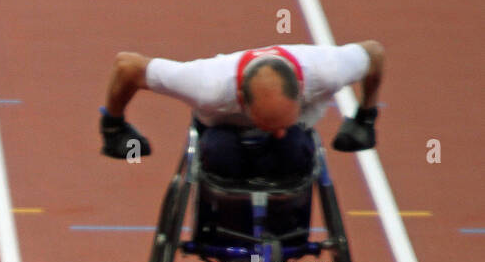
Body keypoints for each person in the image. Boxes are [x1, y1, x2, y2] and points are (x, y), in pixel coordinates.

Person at [99, 41, 385, 178]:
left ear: (301, 91)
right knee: (222, 155)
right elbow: (127, 65)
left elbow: (373, 52)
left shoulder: (327, 70)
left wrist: (365, 116)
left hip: (295, 142)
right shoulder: (207, 85)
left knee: (294, 150)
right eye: (269, 124)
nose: (278, 132)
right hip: (223, 135)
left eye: (284, 120)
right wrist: (113, 126)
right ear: (240, 100)